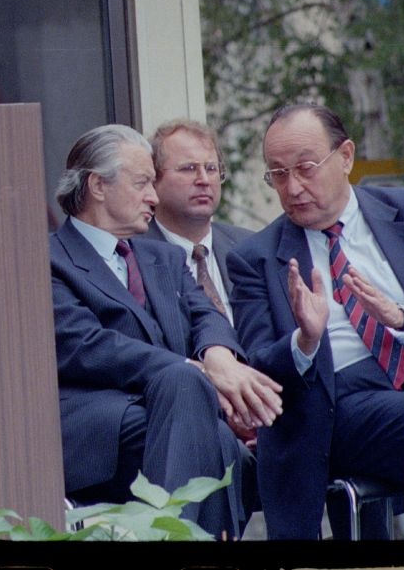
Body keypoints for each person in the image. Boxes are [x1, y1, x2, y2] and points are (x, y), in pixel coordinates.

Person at [227, 103, 404, 540]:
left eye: (305, 168)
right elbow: (259, 366)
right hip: (340, 403)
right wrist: (305, 340)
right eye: (278, 174)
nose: (293, 187)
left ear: (346, 157)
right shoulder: (255, 258)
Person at [50, 124, 281, 539]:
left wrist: (217, 356)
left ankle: (171, 535)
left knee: (216, 431)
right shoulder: (50, 259)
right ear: (98, 185)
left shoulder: (163, 257)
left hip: (176, 414)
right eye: (142, 184)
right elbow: (84, 345)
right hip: (103, 425)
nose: (153, 198)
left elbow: (206, 316)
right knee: (219, 439)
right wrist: (192, 371)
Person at [147, 119, 251, 323]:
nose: (204, 179)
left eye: (211, 168)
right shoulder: (134, 255)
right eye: (188, 168)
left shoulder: (248, 248)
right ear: (154, 179)